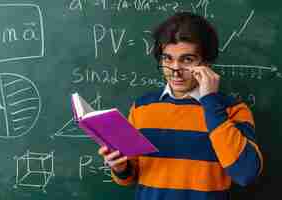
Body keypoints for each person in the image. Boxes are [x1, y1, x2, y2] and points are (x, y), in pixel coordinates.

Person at [98, 11, 263, 200]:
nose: (175, 70)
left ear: (206, 62)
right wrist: (120, 168)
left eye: (187, 60)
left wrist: (210, 103)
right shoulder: (142, 108)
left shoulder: (233, 110)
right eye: (168, 59)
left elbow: (246, 174)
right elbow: (130, 177)